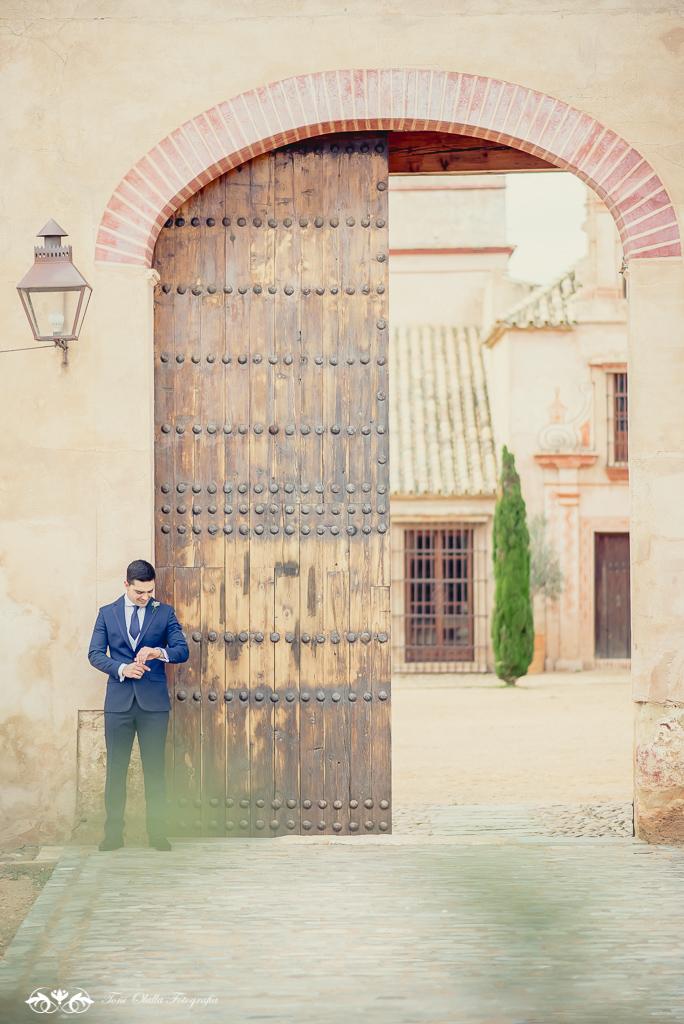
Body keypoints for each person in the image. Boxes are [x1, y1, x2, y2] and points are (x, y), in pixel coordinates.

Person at [87, 559, 189, 851]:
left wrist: (159, 651)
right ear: (126, 585)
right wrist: (122, 669)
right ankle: (113, 835)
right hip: (119, 704)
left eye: (150, 592)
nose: (145, 598)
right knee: (116, 770)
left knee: (155, 770)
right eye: (139, 593)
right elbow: (94, 654)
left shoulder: (165, 612)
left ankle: (157, 834)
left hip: (153, 707)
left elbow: (182, 650)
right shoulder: (107, 614)